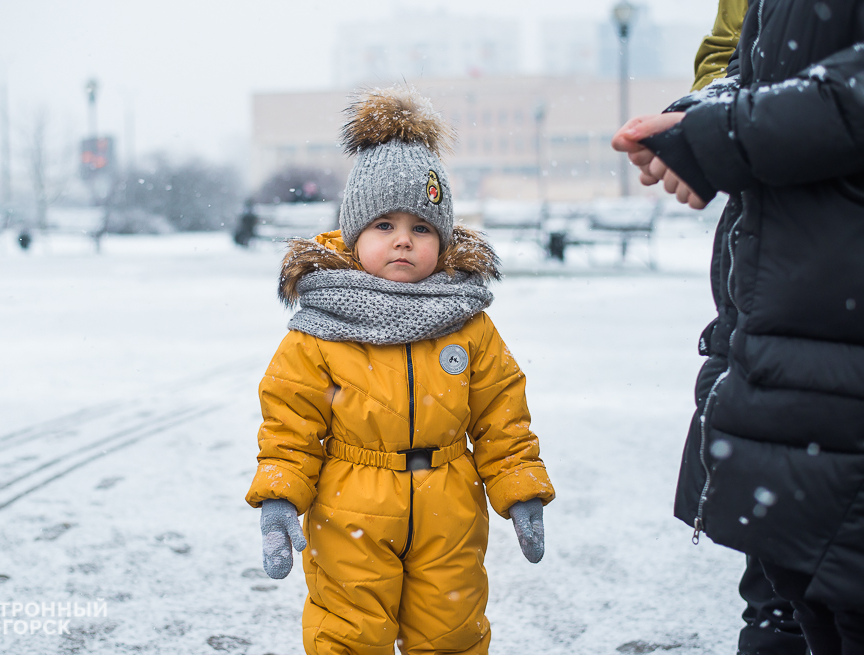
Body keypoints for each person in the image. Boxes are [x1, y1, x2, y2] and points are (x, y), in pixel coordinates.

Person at [245, 87, 555, 655]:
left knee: (451, 634)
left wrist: (520, 489)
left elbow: (501, 417)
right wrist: (280, 497)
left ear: (443, 238)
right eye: (384, 225)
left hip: (450, 512)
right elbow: (289, 424)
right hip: (348, 511)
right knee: (347, 634)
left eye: (422, 228)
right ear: (353, 234)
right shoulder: (320, 327)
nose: (404, 241)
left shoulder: (468, 324)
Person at [613, 0, 864, 652]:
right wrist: (697, 122)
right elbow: (757, 66)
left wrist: (720, 135)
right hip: (789, 323)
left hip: (828, 328)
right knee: (799, 599)